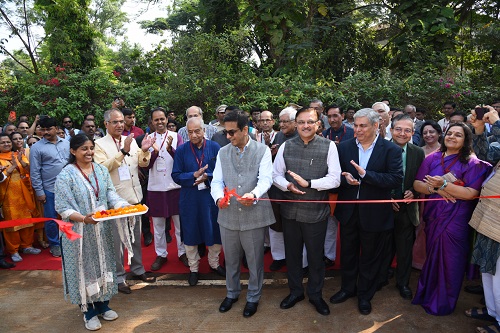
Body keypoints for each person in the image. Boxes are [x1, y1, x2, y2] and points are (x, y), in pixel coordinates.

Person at [412, 122, 491, 315]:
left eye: (458, 135)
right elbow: (417, 184)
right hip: (433, 217)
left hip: (456, 220)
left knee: (451, 261)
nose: (452, 137)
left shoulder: (472, 163)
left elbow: (471, 193)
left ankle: (443, 303)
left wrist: (444, 184)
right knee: (433, 257)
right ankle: (427, 294)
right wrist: (434, 188)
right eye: (450, 133)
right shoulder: (432, 158)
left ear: (466, 141)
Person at [330, 108, 403, 316]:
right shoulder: (343, 148)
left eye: (363, 126)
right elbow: (335, 178)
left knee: (370, 257)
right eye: (356, 125)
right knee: (348, 254)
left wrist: (366, 175)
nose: (358, 130)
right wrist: (346, 179)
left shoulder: (391, 150)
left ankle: (365, 295)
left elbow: (395, 179)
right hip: (349, 212)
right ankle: (347, 289)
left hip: (375, 214)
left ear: (376, 126)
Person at [54, 134, 129, 331]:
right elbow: (62, 207)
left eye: (90, 148)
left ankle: (103, 304)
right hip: (78, 233)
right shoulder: (66, 175)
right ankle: (88, 311)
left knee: (103, 265)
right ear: (73, 151)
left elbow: (110, 193)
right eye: (83, 149)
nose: (89, 152)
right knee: (84, 269)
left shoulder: (101, 170)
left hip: (101, 230)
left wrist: (123, 205)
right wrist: (84, 219)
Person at [273, 107, 341, 316]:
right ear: (295, 124)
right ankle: (295, 292)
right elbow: (275, 175)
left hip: (315, 213)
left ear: (318, 124)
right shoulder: (286, 146)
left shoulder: (328, 146)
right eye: (301, 122)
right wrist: (287, 186)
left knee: (315, 256)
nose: (305, 126)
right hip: (290, 211)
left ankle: (315, 294)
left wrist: (309, 183)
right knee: (292, 256)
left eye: (310, 122)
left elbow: (335, 178)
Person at [211, 109, 275, 318]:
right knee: (230, 259)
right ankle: (232, 293)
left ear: (245, 129)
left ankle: (253, 297)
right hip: (227, 215)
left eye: (232, 132)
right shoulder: (223, 152)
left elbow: (266, 179)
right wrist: (218, 197)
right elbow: (217, 181)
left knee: (255, 260)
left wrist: (254, 194)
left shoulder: (262, 150)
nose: (228, 137)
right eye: (226, 132)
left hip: (254, 214)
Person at [94, 109, 156, 294]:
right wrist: (123, 152)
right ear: (106, 124)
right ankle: (119, 277)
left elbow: (142, 164)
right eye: (115, 122)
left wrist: (144, 150)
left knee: (135, 237)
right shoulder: (99, 145)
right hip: (115, 201)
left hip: (134, 197)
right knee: (117, 242)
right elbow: (102, 169)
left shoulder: (129, 139)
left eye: (121, 121)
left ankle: (137, 269)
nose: (120, 125)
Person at [172, 117, 224, 286]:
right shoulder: (181, 150)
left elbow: (222, 174)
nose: (194, 135)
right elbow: (176, 175)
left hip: (210, 198)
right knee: (191, 232)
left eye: (197, 131)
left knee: (214, 230)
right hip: (190, 199)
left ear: (204, 130)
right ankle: (194, 268)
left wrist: (206, 177)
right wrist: (193, 176)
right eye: (190, 132)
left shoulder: (215, 148)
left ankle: (214, 263)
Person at [383, 114, 425, 300]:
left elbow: (420, 178)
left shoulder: (417, 152)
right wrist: (386, 197)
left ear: (413, 133)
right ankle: (381, 277)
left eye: (407, 130)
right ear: (391, 130)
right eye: (398, 129)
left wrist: (413, 192)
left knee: (404, 248)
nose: (402, 133)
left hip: (407, 208)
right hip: (383, 207)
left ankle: (403, 283)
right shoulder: (379, 148)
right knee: (382, 246)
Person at [467, 105, 500, 333]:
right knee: (488, 270)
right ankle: (493, 311)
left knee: (499, 273)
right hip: (490, 215)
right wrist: (479, 130)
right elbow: (487, 156)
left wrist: (497, 124)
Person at [146, 107, 187, 271]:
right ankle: (161, 254)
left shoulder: (176, 137)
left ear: (166, 119)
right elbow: (145, 164)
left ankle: (182, 252)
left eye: (162, 119)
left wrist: (170, 149)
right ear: (152, 122)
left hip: (174, 185)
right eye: (156, 120)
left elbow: (183, 161)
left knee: (179, 223)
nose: (160, 122)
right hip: (156, 187)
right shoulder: (148, 139)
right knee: (158, 225)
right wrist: (154, 153)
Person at [29, 117, 70, 257]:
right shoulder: (36, 148)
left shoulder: (66, 143)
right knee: (51, 218)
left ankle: (70, 241)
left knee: (69, 215)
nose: (45, 132)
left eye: (49, 129)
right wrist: (40, 192)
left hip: (69, 187)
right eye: (43, 129)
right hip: (49, 188)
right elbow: (34, 172)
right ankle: (55, 244)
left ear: (56, 128)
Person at [322, 105, 355, 267]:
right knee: (330, 220)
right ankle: (329, 255)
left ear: (342, 115)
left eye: (336, 115)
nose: (333, 119)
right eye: (329, 116)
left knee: (348, 223)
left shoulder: (351, 132)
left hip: (348, 182)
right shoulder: (323, 134)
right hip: (330, 184)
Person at [0, 133, 41, 262]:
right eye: (3, 142)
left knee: (27, 219)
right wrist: (11, 167)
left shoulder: (18, 155)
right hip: (8, 197)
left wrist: (22, 163)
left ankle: (27, 245)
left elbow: (30, 171)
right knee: (12, 224)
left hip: (24, 194)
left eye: (8, 142)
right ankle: (13, 250)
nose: (6, 144)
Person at [268, 107, 298, 271]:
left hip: (295, 189)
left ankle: (296, 258)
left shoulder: (301, 136)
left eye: (286, 121)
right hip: (277, 188)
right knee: (275, 225)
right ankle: (279, 257)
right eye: (281, 121)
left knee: (294, 227)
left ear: (295, 122)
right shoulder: (278, 135)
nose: (282, 124)